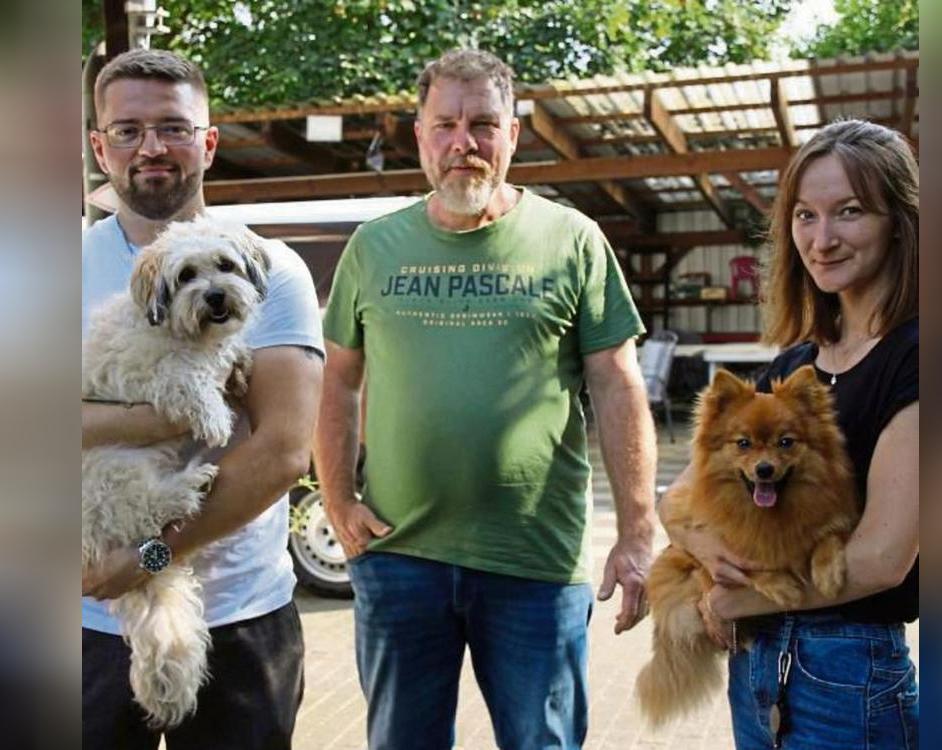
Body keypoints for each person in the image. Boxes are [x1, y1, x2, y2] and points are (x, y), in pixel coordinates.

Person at [313, 48, 657, 750]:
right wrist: (337, 499)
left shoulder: (573, 241)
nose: (462, 143)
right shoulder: (375, 248)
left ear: (513, 135)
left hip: (535, 563)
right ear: (419, 135)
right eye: (444, 125)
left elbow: (618, 383)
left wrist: (638, 529)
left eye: (483, 125)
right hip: (400, 556)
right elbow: (338, 381)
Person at [81, 49, 324, 749]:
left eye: (173, 127)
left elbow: (280, 453)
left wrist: (150, 558)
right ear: (100, 146)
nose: (150, 147)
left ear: (207, 141)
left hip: (241, 619)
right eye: (126, 130)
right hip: (82, 625)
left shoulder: (275, 272)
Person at [661, 118, 918, 749]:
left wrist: (734, 600)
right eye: (805, 215)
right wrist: (704, 549)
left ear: (900, 221)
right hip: (758, 665)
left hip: (847, 671)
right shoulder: (793, 365)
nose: (822, 239)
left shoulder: (922, 354)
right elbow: (677, 499)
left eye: (849, 212)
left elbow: (883, 560)